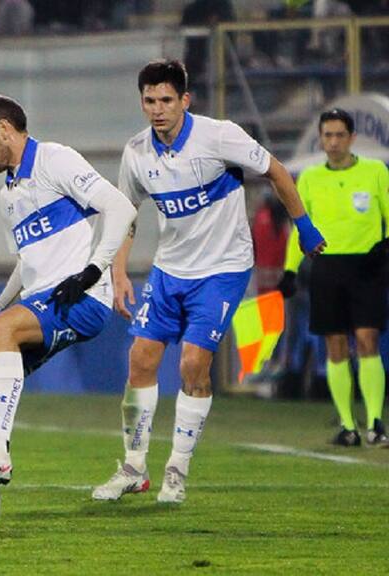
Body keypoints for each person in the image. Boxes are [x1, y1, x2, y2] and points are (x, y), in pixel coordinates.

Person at [92, 59, 325, 504]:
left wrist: (304, 226)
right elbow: (125, 213)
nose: (157, 109)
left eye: (166, 100)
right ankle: (134, 468)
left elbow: (276, 170)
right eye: (149, 100)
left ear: (185, 100)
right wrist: (118, 271)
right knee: (140, 360)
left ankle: (176, 470)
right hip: (169, 269)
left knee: (192, 365)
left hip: (222, 268)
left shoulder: (219, 136)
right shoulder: (136, 152)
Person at [0, 94, 137, 525]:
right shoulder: (8, 194)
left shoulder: (55, 159)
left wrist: (93, 271)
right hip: (39, 300)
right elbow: (26, 263)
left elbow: (121, 208)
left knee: (3, 331)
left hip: (81, 298)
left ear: (4, 129)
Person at [278, 108, 389, 447]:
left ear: (352, 138)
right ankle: (347, 426)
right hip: (326, 268)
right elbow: (302, 229)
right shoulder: (310, 177)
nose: (334, 141)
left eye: (340, 135)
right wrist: (290, 270)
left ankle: (375, 422)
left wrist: (385, 246)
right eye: (328, 135)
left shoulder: (375, 171)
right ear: (321, 139)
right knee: (335, 346)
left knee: (368, 340)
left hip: (367, 267)